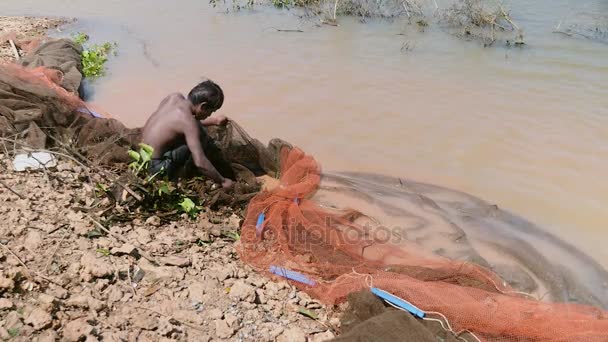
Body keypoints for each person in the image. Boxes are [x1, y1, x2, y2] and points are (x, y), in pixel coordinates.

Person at [142, 79, 234, 188]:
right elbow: (200, 162)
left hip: (143, 156)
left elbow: (182, 123)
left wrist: (215, 121)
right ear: (203, 106)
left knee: (195, 131)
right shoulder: (189, 123)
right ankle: (177, 176)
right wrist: (223, 181)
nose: (209, 115)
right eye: (211, 111)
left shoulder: (174, 97)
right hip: (156, 168)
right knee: (201, 136)